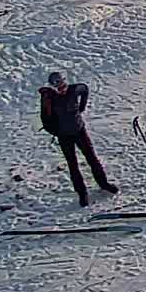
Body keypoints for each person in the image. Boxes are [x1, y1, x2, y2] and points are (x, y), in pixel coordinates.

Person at [39, 72, 118, 207]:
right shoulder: (48, 98)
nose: (62, 89)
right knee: (73, 164)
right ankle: (82, 193)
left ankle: (104, 184)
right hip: (64, 136)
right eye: (58, 88)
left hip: (80, 131)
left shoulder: (74, 90)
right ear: (53, 87)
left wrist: (82, 107)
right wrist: (57, 132)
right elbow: (45, 120)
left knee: (92, 158)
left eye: (63, 85)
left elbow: (85, 89)